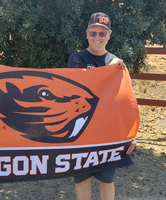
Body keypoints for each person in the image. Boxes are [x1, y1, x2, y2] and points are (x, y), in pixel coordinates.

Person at [67, 12, 136, 200]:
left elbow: (126, 103)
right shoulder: (76, 59)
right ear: (87, 34)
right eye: (93, 33)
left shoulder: (118, 66)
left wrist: (131, 135)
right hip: (81, 134)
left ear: (109, 35)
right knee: (82, 182)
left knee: (107, 182)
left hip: (108, 135)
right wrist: (110, 68)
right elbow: (82, 89)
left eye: (102, 33)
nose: (97, 37)